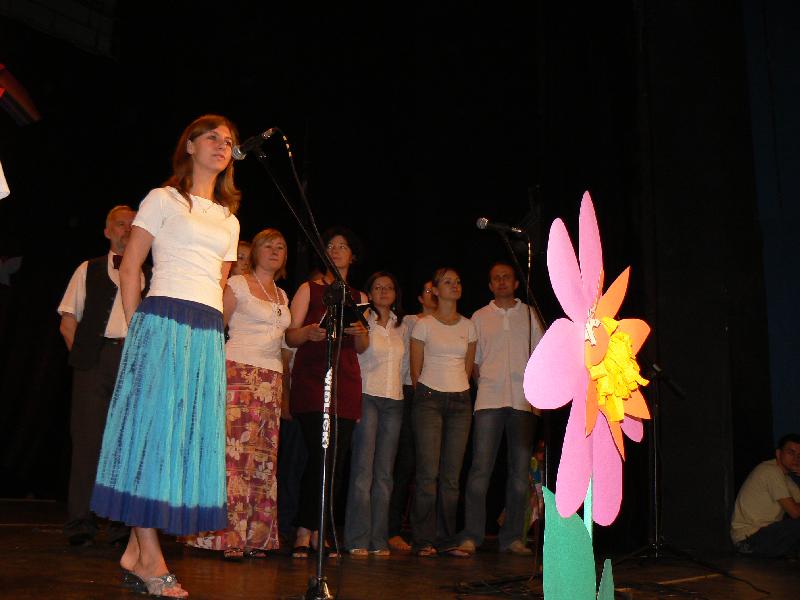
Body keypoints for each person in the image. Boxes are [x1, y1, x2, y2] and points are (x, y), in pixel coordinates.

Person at [90, 114, 241, 598]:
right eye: (212, 137)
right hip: (162, 321)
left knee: (182, 440)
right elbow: (130, 266)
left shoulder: (229, 219)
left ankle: (137, 553)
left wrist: (214, 337)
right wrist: (137, 328)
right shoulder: (163, 199)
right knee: (151, 436)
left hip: (205, 331)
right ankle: (151, 559)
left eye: (228, 141)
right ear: (190, 146)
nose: (222, 145)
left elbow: (218, 282)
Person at [185, 228, 291, 560]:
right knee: (234, 457)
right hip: (238, 373)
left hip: (270, 379)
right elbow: (216, 327)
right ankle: (222, 536)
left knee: (262, 460)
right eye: (268, 245)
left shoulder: (282, 295)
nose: (274, 251)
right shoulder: (237, 284)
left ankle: (255, 538)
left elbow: (283, 344)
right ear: (255, 251)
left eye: (280, 246)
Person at [57, 205, 148, 547]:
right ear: (108, 231)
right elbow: (68, 321)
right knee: (87, 442)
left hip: (135, 363)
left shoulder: (153, 274)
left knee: (127, 443)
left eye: (133, 224)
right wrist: (85, 358)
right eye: (121, 224)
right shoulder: (89, 269)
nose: (127, 229)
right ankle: (80, 521)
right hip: (94, 361)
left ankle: (122, 525)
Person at [449, 262, 545, 556]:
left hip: (523, 401)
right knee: (480, 470)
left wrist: (537, 400)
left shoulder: (530, 314)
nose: (502, 282)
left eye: (506, 277)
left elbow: (541, 356)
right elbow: (474, 362)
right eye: (496, 278)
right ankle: (471, 536)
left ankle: (513, 538)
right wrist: (485, 385)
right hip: (488, 400)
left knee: (519, 473)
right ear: (490, 285)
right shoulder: (479, 317)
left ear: (516, 283)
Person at [285, 227, 369, 558]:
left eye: (343, 246)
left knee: (335, 460)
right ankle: (305, 530)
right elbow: (289, 336)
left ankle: (318, 530)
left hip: (345, 382)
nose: (335, 250)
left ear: (353, 256)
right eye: (330, 246)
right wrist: (307, 332)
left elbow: (362, 346)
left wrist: (360, 331)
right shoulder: (309, 288)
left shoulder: (358, 296)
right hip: (311, 378)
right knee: (320, 456)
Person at [410, 267, 477, 557]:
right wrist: (429, 393)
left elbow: (468, 368)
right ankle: (423, 539)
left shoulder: (469, 326)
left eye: (458, 281)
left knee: (451, 477)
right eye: (448, 282)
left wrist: (457, 391)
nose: (455, 285)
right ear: (436, 290)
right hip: (429, 399)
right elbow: (415, 370)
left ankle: (446, 537)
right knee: (428, 474)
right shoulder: (423, 325)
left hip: (460, 401)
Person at [345, 271, 407, 556]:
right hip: (367, 397)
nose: (383, 291)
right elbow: (355, 358)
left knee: (384, 474)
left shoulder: (401, 325)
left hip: (394, 401)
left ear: (395, 294)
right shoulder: (361, 321)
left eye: (389, 287)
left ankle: (379, 539)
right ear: (369, 293)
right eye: (378, 287)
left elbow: (404, 368)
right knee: (363, 472)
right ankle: (358, 538)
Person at [388, 280, 437, 551]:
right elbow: (399, 357)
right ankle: (392, 529)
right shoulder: (409, 321)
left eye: (435, 290)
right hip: (409, 390)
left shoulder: (447, 323)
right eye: (428, 291)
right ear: (419, 297)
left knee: (428, 468)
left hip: (437, 394)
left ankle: (426, 532)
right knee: (405, 463)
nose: (433, 295)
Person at [731, 433, 800, 557]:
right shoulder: (770, 471)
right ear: (778, 453)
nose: (796, 458)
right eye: (791, 453)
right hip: (749, 538)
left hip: (766, 535)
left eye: (799, 455)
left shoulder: (787, 479)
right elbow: (795, 513)